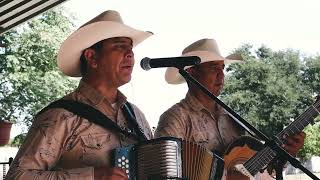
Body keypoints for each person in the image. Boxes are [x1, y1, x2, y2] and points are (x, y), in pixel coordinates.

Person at [6, 10, 153, 180]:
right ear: (92, 57)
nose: (130, 54)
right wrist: (92, 177)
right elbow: (17, 176)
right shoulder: (61, 116)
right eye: (119, 46)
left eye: (130, 48)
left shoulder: (137, 117)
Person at [154, 38, 305, 179]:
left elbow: (264, 171)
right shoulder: (175, 118)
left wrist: (286, 153)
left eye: (223, 68)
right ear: (192, 73)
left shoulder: (231, 118)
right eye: (214, 68)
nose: (221, 75)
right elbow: (160, 174)